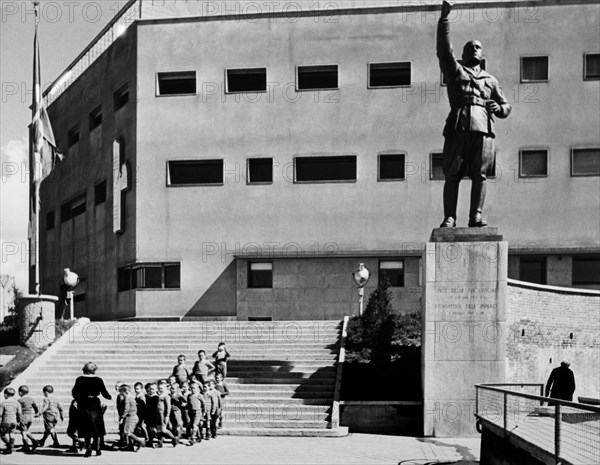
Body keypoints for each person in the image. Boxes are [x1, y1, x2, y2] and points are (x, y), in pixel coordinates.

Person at [437, 1, 511, 228]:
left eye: (478, 47)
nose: (475, 49)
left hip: (483, 129)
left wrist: (500, 109)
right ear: (464, 54)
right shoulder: (455, 71)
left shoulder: (491, 80)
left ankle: (475, 216)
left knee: (480, 175)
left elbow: (506, 105)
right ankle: (450, 217)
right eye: (471, 47)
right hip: (458, 126)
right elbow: (443, 51)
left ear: (482, 53)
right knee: (453, 174)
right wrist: (444, 20)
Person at [71, 361, 112, 457]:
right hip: (94, 404)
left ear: (84, 369)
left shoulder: (80, 379)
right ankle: (97, 449)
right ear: (94, 370)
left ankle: (88, 449)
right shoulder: (98, 380)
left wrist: (77, 400)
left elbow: (74, 392)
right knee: (96, 428)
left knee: (86, 428)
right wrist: (110, 397)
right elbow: (105, 393)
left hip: (83, 404)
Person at [118, 385, 146, 452]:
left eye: (122, 394)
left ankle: (140, 441)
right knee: (129, 432)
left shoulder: (127, 399)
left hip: (130, 417)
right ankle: (130, 446)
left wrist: (122, 418)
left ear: (126, 392)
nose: (122, 396)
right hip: (134, 417)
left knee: (127, 432)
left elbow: (126, 410)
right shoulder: (132, 398)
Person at [17, 385, 39, 453]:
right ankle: (30, 443)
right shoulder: (31, 399)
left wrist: (18, 419)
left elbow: (18, 410)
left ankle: (28, 445)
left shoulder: (19, 400)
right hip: (30, 416)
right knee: (26, 430)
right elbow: (35, 407)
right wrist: (37, 413)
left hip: (23, 416)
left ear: (20, 393)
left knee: (23, 432)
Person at [0, 387, 22, 455]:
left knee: (2, 434)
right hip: (14, 421)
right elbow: (19, 413)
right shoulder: (17, 403)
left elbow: (0, 414)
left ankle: (9, 445)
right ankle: (11, 447)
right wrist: (18, 421)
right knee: (12, 434)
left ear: (6, 394)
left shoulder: (3, 403)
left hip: (6, 421)